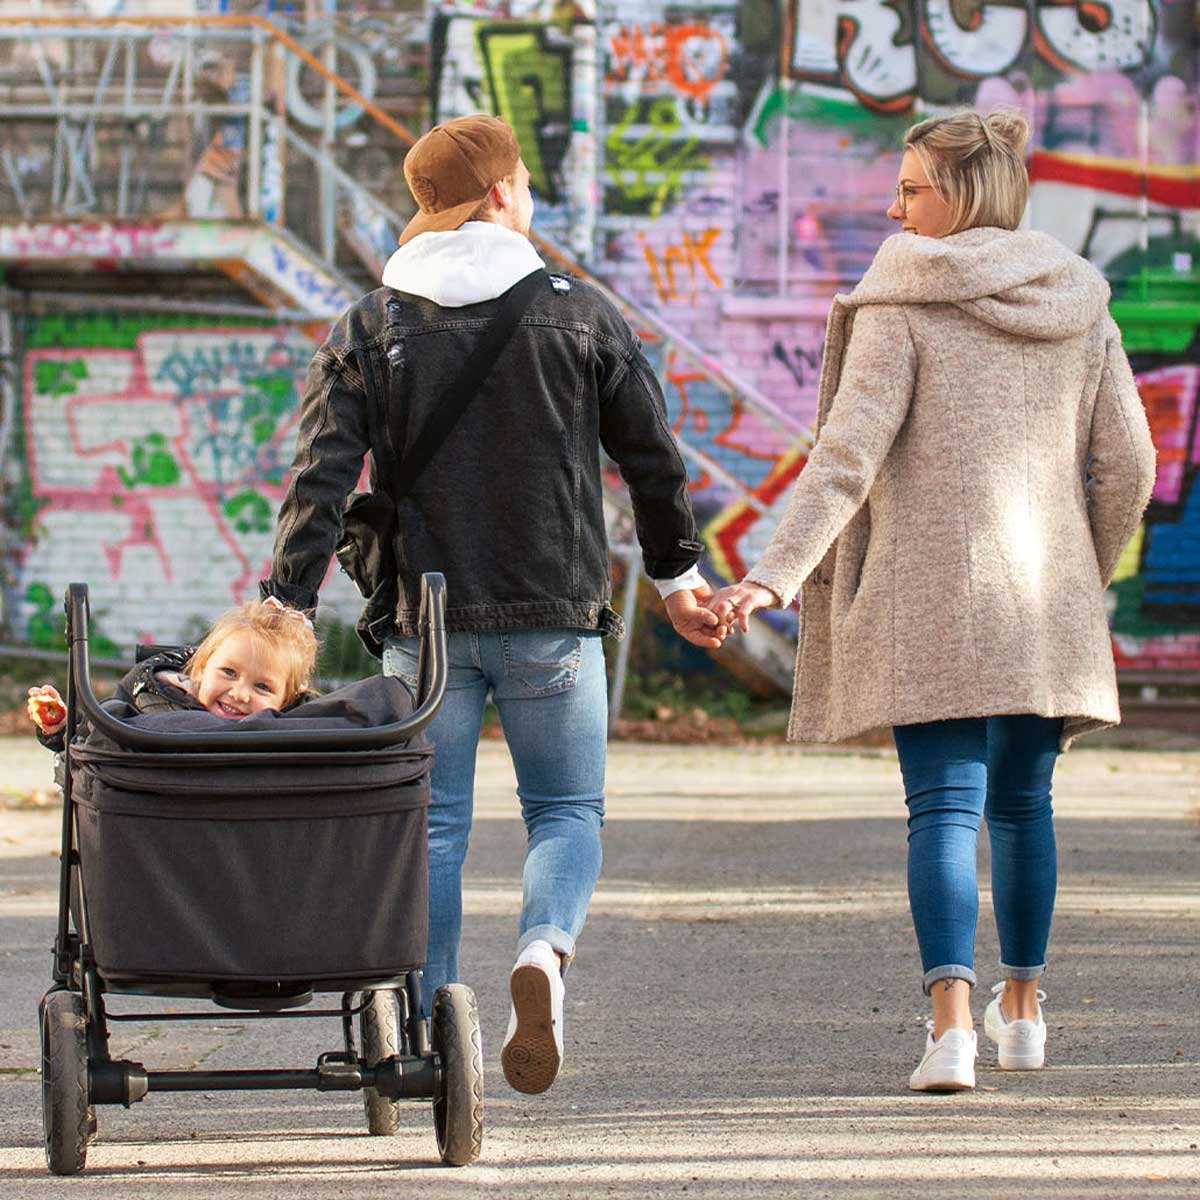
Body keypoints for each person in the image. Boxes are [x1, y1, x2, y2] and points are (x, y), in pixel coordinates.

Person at [261, 114, 724, 1095]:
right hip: (553, 611)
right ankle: (544, 953)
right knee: (566, 810)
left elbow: (321, 478)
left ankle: (433, 1032)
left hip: (423, 630)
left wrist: (284, 607)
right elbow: (653, 461)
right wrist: (680, 581)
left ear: (422, 205)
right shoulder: (579, 311)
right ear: (505, 194)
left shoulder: (369, 323)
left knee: (431, 826)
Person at [710, 108, 1156, 1092]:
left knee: (943, 810)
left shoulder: (903, 296)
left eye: (911, 187)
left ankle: (951, 1026)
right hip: (1048, 600)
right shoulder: (1081, 302)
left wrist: (769, 576)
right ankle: (1026, 1010)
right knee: (1025, 804)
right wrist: (1089, 566)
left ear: (961, 193)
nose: (893, 204)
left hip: (931, 600)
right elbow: (1130, 458)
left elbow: (847, 455)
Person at [27, 596, 318, 751]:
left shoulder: (292, 736)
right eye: (228, 672)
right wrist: (63, 727)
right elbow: (93, 740)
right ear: (201, 668)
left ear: (286, 699)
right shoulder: (150, 700)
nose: (240, 693)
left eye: (263, 687)